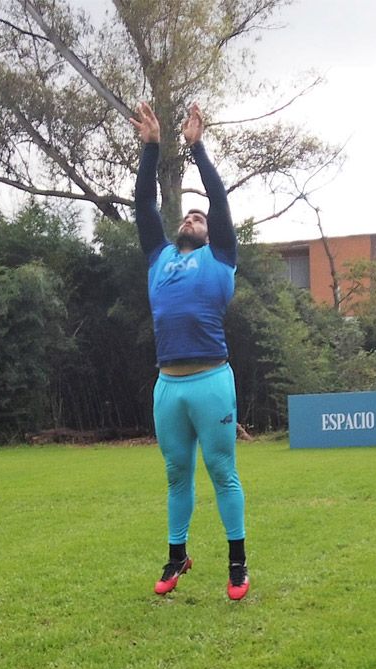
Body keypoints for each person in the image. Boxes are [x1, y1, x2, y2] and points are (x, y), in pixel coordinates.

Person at [130, 102, 249, 600]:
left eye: (199, 218)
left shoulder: (221, 257)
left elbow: (218, 201)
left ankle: (238, 564)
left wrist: (197, 148)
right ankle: (177, 556)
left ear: (210, 232)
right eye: (188, 215)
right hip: (168, 386)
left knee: (222, 471)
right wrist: (152, 148)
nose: (193, 218)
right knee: (177, 474)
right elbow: (143, 205)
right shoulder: (158, 257)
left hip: (211, 381)